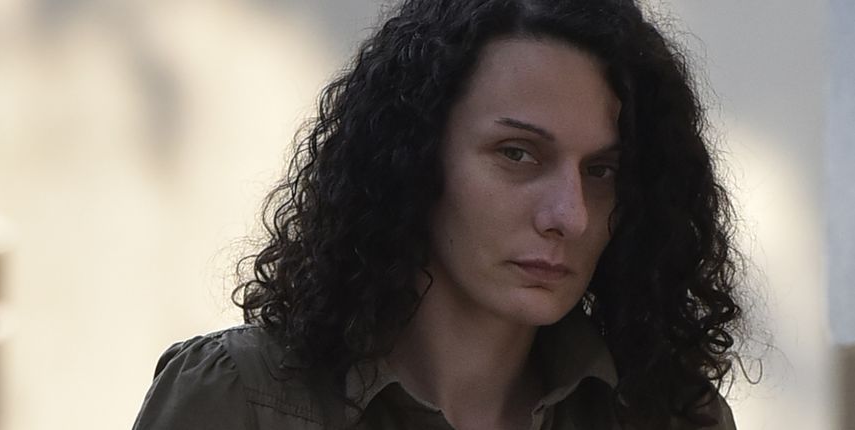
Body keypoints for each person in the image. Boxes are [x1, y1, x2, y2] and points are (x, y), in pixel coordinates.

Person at [133, 0, 747, 428]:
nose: (571, 215)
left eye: (601, 171)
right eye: (517, 154)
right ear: (413, 156)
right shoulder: (244, 400)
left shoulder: (672, 418)